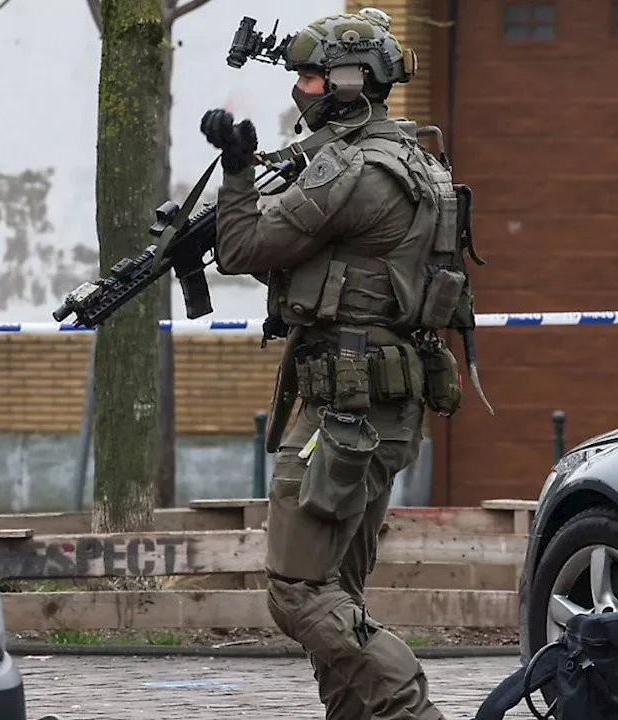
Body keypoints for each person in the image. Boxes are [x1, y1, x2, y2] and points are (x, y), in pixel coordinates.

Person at [200, 8, 456, 720]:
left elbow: (246, 248)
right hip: (384, 404)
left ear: (352, 81)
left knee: (298, 592)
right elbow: (334, 268)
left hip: (344, 406)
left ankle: (410, 709)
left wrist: (236, 170)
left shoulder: (350, 168)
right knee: (337, 587)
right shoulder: (416, 157)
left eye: (310, 76)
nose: (301, 90)